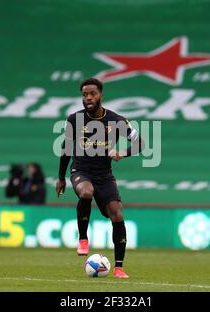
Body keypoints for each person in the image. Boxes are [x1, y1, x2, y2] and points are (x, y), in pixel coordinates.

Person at [56, 78, 145, 279]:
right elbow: (66, 149)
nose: (88, 98)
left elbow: (142, 144)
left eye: (92, 93)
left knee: (117, 214)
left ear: (101, 95)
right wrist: (61, 177)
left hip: (104, 175)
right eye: (84, 94)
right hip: (81, 171)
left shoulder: (118, 121)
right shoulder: (74, 119)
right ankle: (83, 239)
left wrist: (123, 152)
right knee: (86, 192)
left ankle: (119, 268)